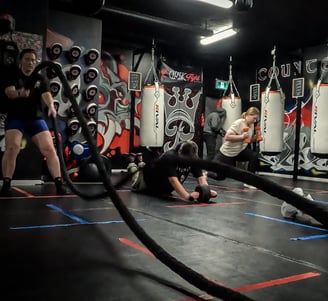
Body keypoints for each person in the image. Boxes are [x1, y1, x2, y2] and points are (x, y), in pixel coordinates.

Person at [0, 48, 68, 195]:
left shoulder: (40, 78)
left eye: (33, 60)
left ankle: (59, 183)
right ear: (21, 61)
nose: (30, 63)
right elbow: (9, 92)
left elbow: (47, 94)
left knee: (49, 149)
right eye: (27, 59)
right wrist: (20, 93)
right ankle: (6, 183)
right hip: (16, 117)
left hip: (35, 118)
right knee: (12, 148)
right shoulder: (12, 75)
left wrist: (51, 106)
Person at [127, 140, 217, 202]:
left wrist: (206, 192)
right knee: (135, 180)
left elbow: (201, 178)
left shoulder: (194, 159)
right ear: (179, 153)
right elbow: (173, 181)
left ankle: (139, 164)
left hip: (163, 188)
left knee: (162, 191)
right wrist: (188, 197)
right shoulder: (169, 157)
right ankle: (132, 164)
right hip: (146, 182)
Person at [213, 106, 260, 189]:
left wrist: (254, 139)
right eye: (254, 118)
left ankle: (249, 181)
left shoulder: (251, 125)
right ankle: (205, 173)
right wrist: (241, 137)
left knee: (254, 156)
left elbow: (247, 140)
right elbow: (227, 137)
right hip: (227, 153)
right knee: (220, 176)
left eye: (256, 119)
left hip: (240, 151)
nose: (255, 121)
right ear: (248, 115)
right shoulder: (238, 123)